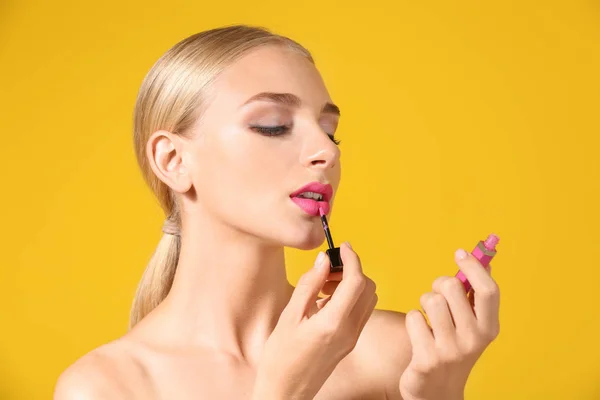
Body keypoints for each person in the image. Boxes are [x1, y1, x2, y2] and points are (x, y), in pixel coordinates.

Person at [54, 25, 501, 400]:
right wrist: (282, 391)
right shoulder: (107, 387)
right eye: (273, 125)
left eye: (330, 131)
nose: (326, 150)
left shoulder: (394, 353)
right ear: (174, 161)